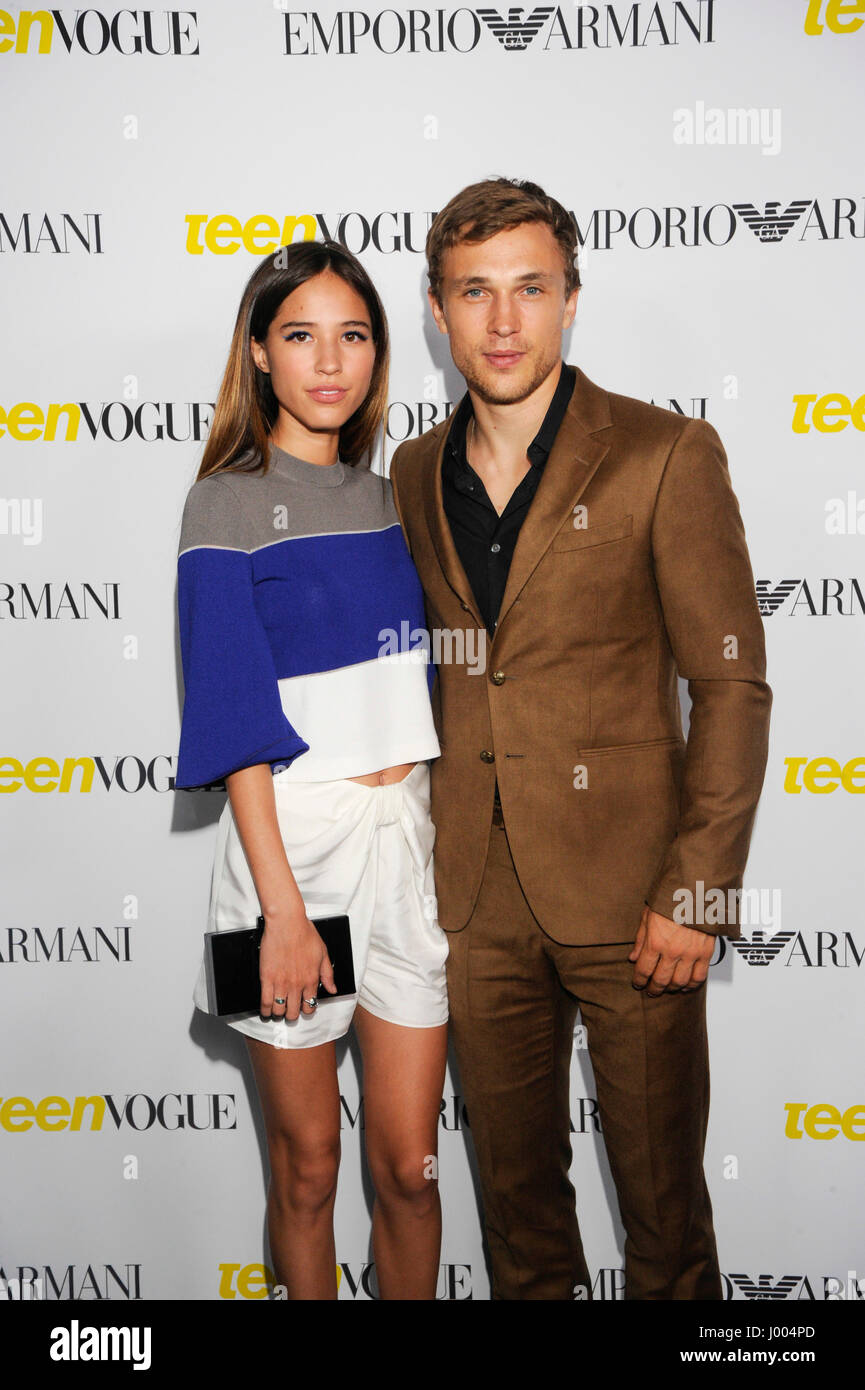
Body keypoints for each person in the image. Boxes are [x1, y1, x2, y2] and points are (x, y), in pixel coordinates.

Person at [388, 178, 772, 1300]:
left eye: (529, 290)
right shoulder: (413, 473)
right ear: (436, 308)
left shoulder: (664, 452)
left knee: (664, 1224)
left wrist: (697, 890)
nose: (502, 323)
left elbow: (733, 685)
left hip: (639, 899)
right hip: (477, 901)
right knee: (518, 1222)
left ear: (569, 301)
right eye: (474, 293)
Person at [174, 240, 449, 1301]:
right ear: (258, 354)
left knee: (408, 1174)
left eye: (353, 335)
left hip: (407, 853)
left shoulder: (399, 501)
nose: (328, 361)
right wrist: (281, 913)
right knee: (306, 1171)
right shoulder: (224, 505)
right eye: (300, 335)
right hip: (281, 864)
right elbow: (236, 720)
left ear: (380, 356)